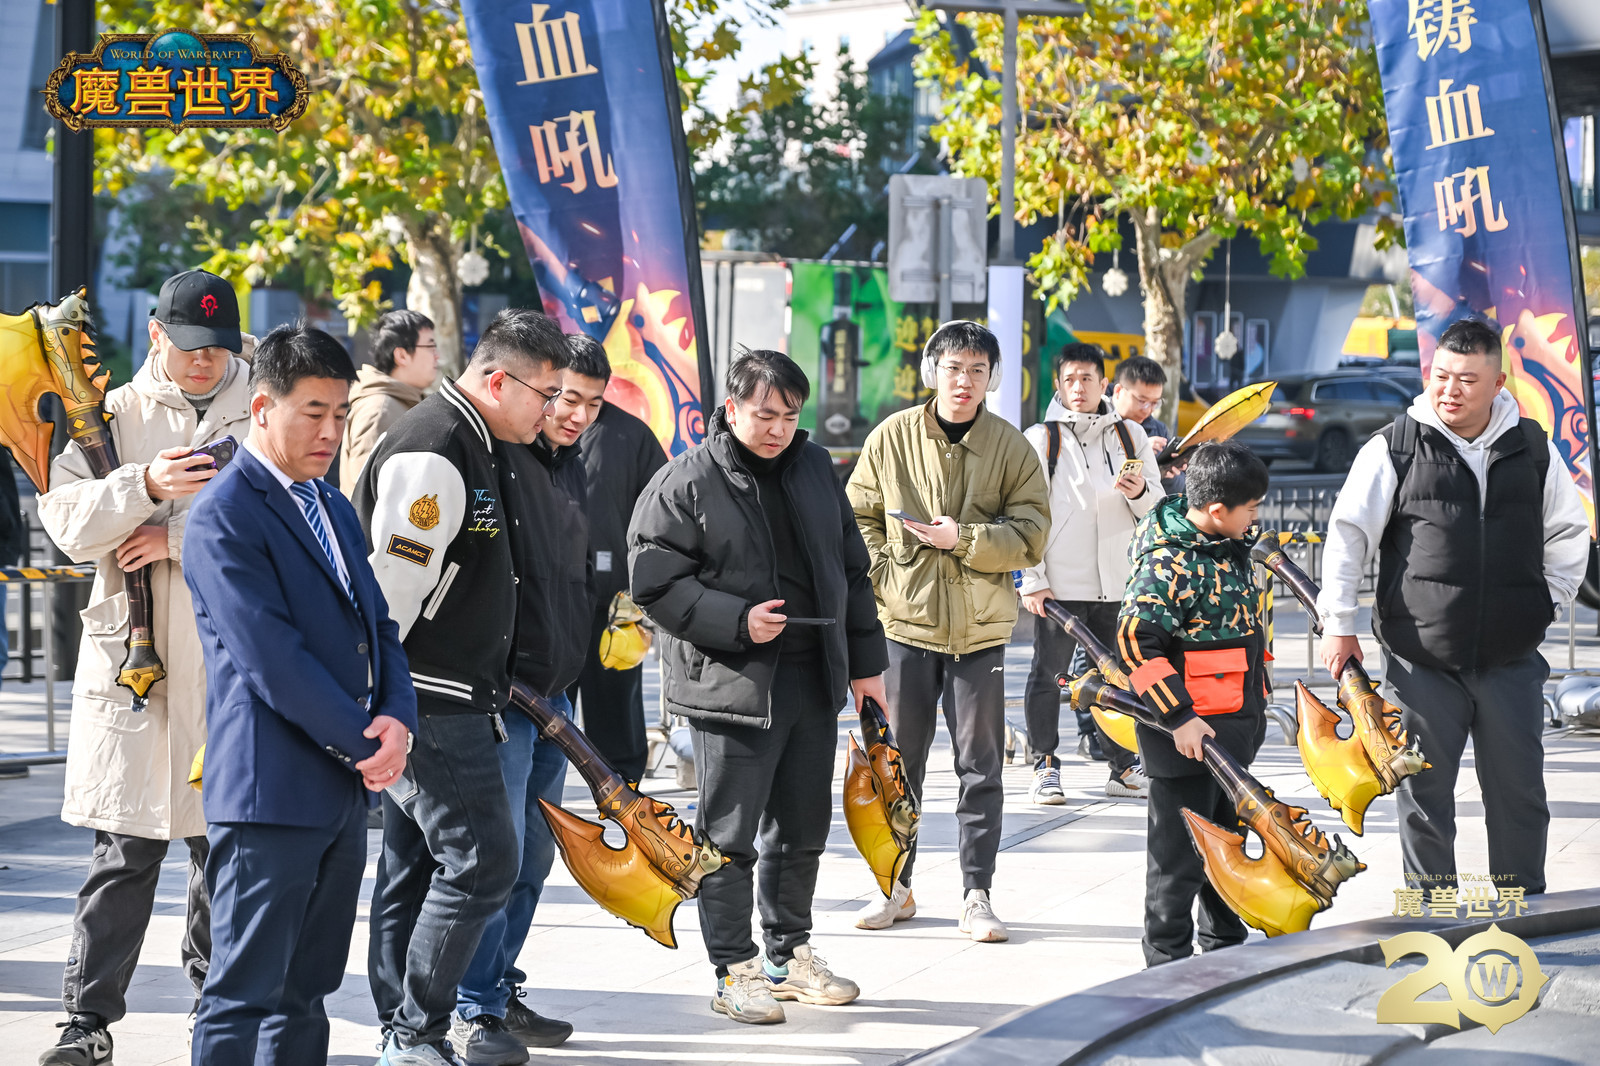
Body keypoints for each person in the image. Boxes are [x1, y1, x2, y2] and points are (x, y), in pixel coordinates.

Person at [629, 349, 888, 1024]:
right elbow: (653, 582)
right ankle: (733, 969)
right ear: (732, 409)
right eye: (763, 414)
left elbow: (851, 572)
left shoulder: (813, 468)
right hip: (731, 684)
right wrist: (736, 621)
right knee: (729, 839)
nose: (776, 427)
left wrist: (867, 669)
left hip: (812, 678)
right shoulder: (686, 480)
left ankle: (787, 955)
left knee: (802, 831)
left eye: (789, 414)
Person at [182, 325, 416, 1065]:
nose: (330, 430)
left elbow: (378, 624)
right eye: (312, 411)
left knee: (307, 989)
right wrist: (365, 744)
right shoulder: (224, 514)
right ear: (261, 406)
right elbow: (271, 659)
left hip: (340, 788)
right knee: (242, 991)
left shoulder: (333, 505)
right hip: (268, 794)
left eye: (341, 413)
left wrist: (398, 722)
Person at [36, 269, 252, 1066]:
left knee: (221, 849)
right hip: (137, 663)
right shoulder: (115, 415)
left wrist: (180, 536)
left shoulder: (268, 408)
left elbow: (297, 516)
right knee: (123, 853)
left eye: (219, 348)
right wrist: (143, 485)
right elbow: (64, 522)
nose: (204, 363)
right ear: (158, 335)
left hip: (231, 657)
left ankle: (217, 1007)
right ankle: (86, 1025)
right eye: (190, 347)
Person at [356, 308, 569, 1066]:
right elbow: (389, 599)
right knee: (482, 863)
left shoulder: (484, 443)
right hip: (428, 698)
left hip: (461, 695)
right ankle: (413, 1033)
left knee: (427, 868)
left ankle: (407, 1029)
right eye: (545, 394)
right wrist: (385, 704)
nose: (553, 411)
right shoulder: (437, 450)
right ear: (497, 380)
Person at [1316, 318, 1588, 896]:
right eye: (1441, 376)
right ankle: (1431, 914)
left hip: (1511, 662)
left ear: (1498, 382)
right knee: (1423, 798)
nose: (1450, 390)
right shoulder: (1395, 446)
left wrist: (1547, 604)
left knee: (1519, 795)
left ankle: (1523, 912)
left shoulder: (1533, 447)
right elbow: (1348, 535)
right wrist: (1337, 624)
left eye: (1467, 379)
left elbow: (1567, 533)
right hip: (1421, 663)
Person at [846, 320, 1048, 940]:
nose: (964, 382)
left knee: (980, 768)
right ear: (932, 371)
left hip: (982, 632)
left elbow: (1034, 531)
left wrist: (967, 540)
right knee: (896, 765)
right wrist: (886, 572)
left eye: (977, 371)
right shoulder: (893, 437)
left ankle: (977, 893)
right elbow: (856, 514)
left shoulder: (1011, 446)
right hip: (905, 627)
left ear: (992, 378)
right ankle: (896, 888)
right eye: (954, 369)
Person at [452, 334, 608, 1063]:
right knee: (494, 857)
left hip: (556, 699)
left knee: (533, 859)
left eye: (589, 404)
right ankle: (469, 1007)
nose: (571, 413)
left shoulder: (568, 467)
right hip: (499, 700)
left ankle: (499, 988)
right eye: (562, 397)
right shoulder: (493, 459)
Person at [1115, 441, 1271, 967]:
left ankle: (1225, 953)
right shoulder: (1168, 562)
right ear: (1217, 510)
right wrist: (1179, 717)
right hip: (1185, 743)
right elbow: (1137, 639)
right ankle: (1167, 966)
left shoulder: (1230, 547)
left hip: (1233, 735)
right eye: (1251, 508)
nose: (1257, 517)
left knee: (1227, 849)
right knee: (1177, 864)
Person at [1019, 343, 1158, 803]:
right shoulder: (1042, 438)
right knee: (1049, 673)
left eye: (1087, 379)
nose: (1078, 388)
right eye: (1070, 379)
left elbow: (1156, 509)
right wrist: (1033, 578)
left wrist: (1138, 493)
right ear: (1058, 385)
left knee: (1118, 678)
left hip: (1118, 582)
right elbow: (1024, 513)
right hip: (1061, 585)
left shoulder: (1130, 438)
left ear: (1105, 385)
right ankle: (1045, 764)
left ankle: (1121, 767)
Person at [565, 395, 666, 784]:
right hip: (553, 599)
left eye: (593, 398)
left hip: (617, 600)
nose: (582, 412)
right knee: (546, 717)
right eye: (572, 396)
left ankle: (626, 800)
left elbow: (663, 514)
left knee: (617, 706)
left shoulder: (631, 434)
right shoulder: (534, 426)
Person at [340, 309, 438, 496]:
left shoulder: (406, 403)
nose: (437, 356)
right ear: (401, 356)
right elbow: (363, 495)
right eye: (430, 347)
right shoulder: (379, 410)